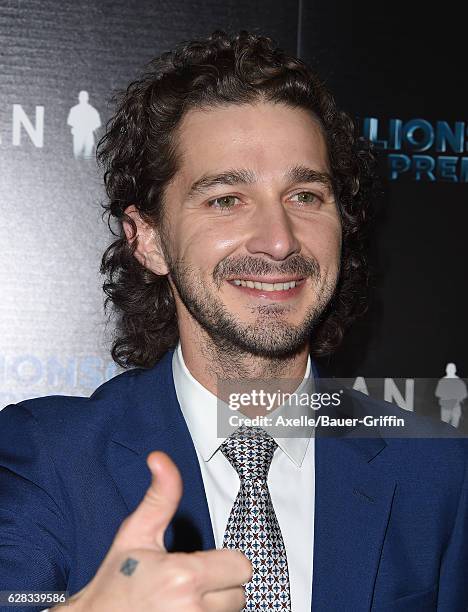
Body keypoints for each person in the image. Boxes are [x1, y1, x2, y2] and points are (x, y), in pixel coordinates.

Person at [1, 30, 467, 612]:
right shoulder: (46, 456)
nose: (278, 240)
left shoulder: (438, 471)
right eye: (226, 199)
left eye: (305, 196)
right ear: (148, 238)